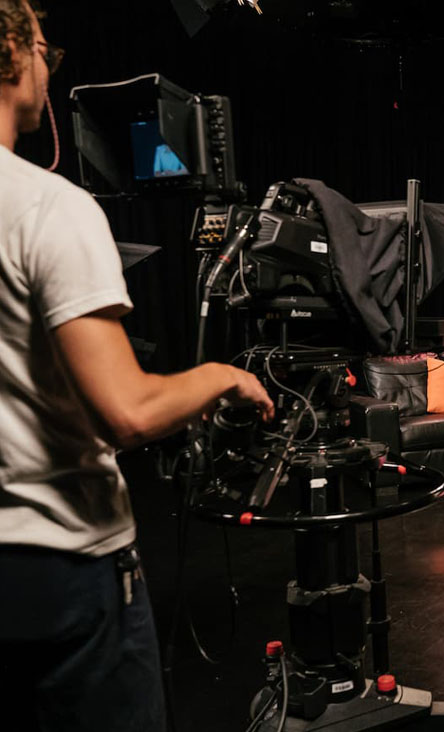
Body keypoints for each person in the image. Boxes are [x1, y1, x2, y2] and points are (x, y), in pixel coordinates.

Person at [0, 3, 274, 730]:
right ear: (13, 54)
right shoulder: (47, 207)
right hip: (60, 569)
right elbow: (129, 412)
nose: (47, 68)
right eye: (41, 48)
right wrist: (223, 376)